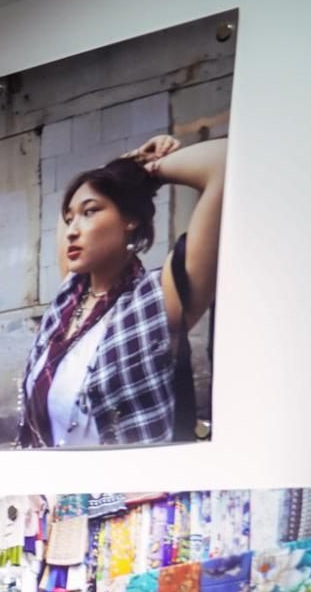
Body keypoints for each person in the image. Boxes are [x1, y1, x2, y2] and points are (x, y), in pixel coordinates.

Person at [18, 135, 229, 447]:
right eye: (69, 218)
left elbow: (225, 162)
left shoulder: (155, 301)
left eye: (90, 212)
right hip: (47, 490)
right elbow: (76, 207)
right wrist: (121, 167)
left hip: (119, 492)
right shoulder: (69, 297)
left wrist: (143, 172)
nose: (73, 229)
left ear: (130, 219)